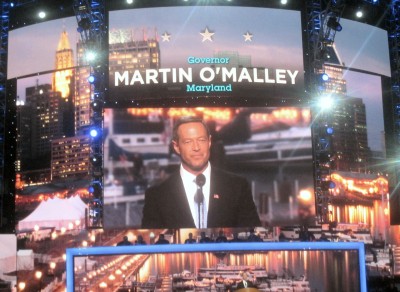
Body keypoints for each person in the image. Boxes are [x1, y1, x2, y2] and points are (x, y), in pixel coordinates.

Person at [141, 116, 261, 229]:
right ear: (176, 146)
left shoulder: (237, 187)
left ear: (209, 142)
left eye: (201, 140)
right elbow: (152, 245)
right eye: (188, 142)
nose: (196, 147)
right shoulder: (157, 195)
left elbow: (253, 238)